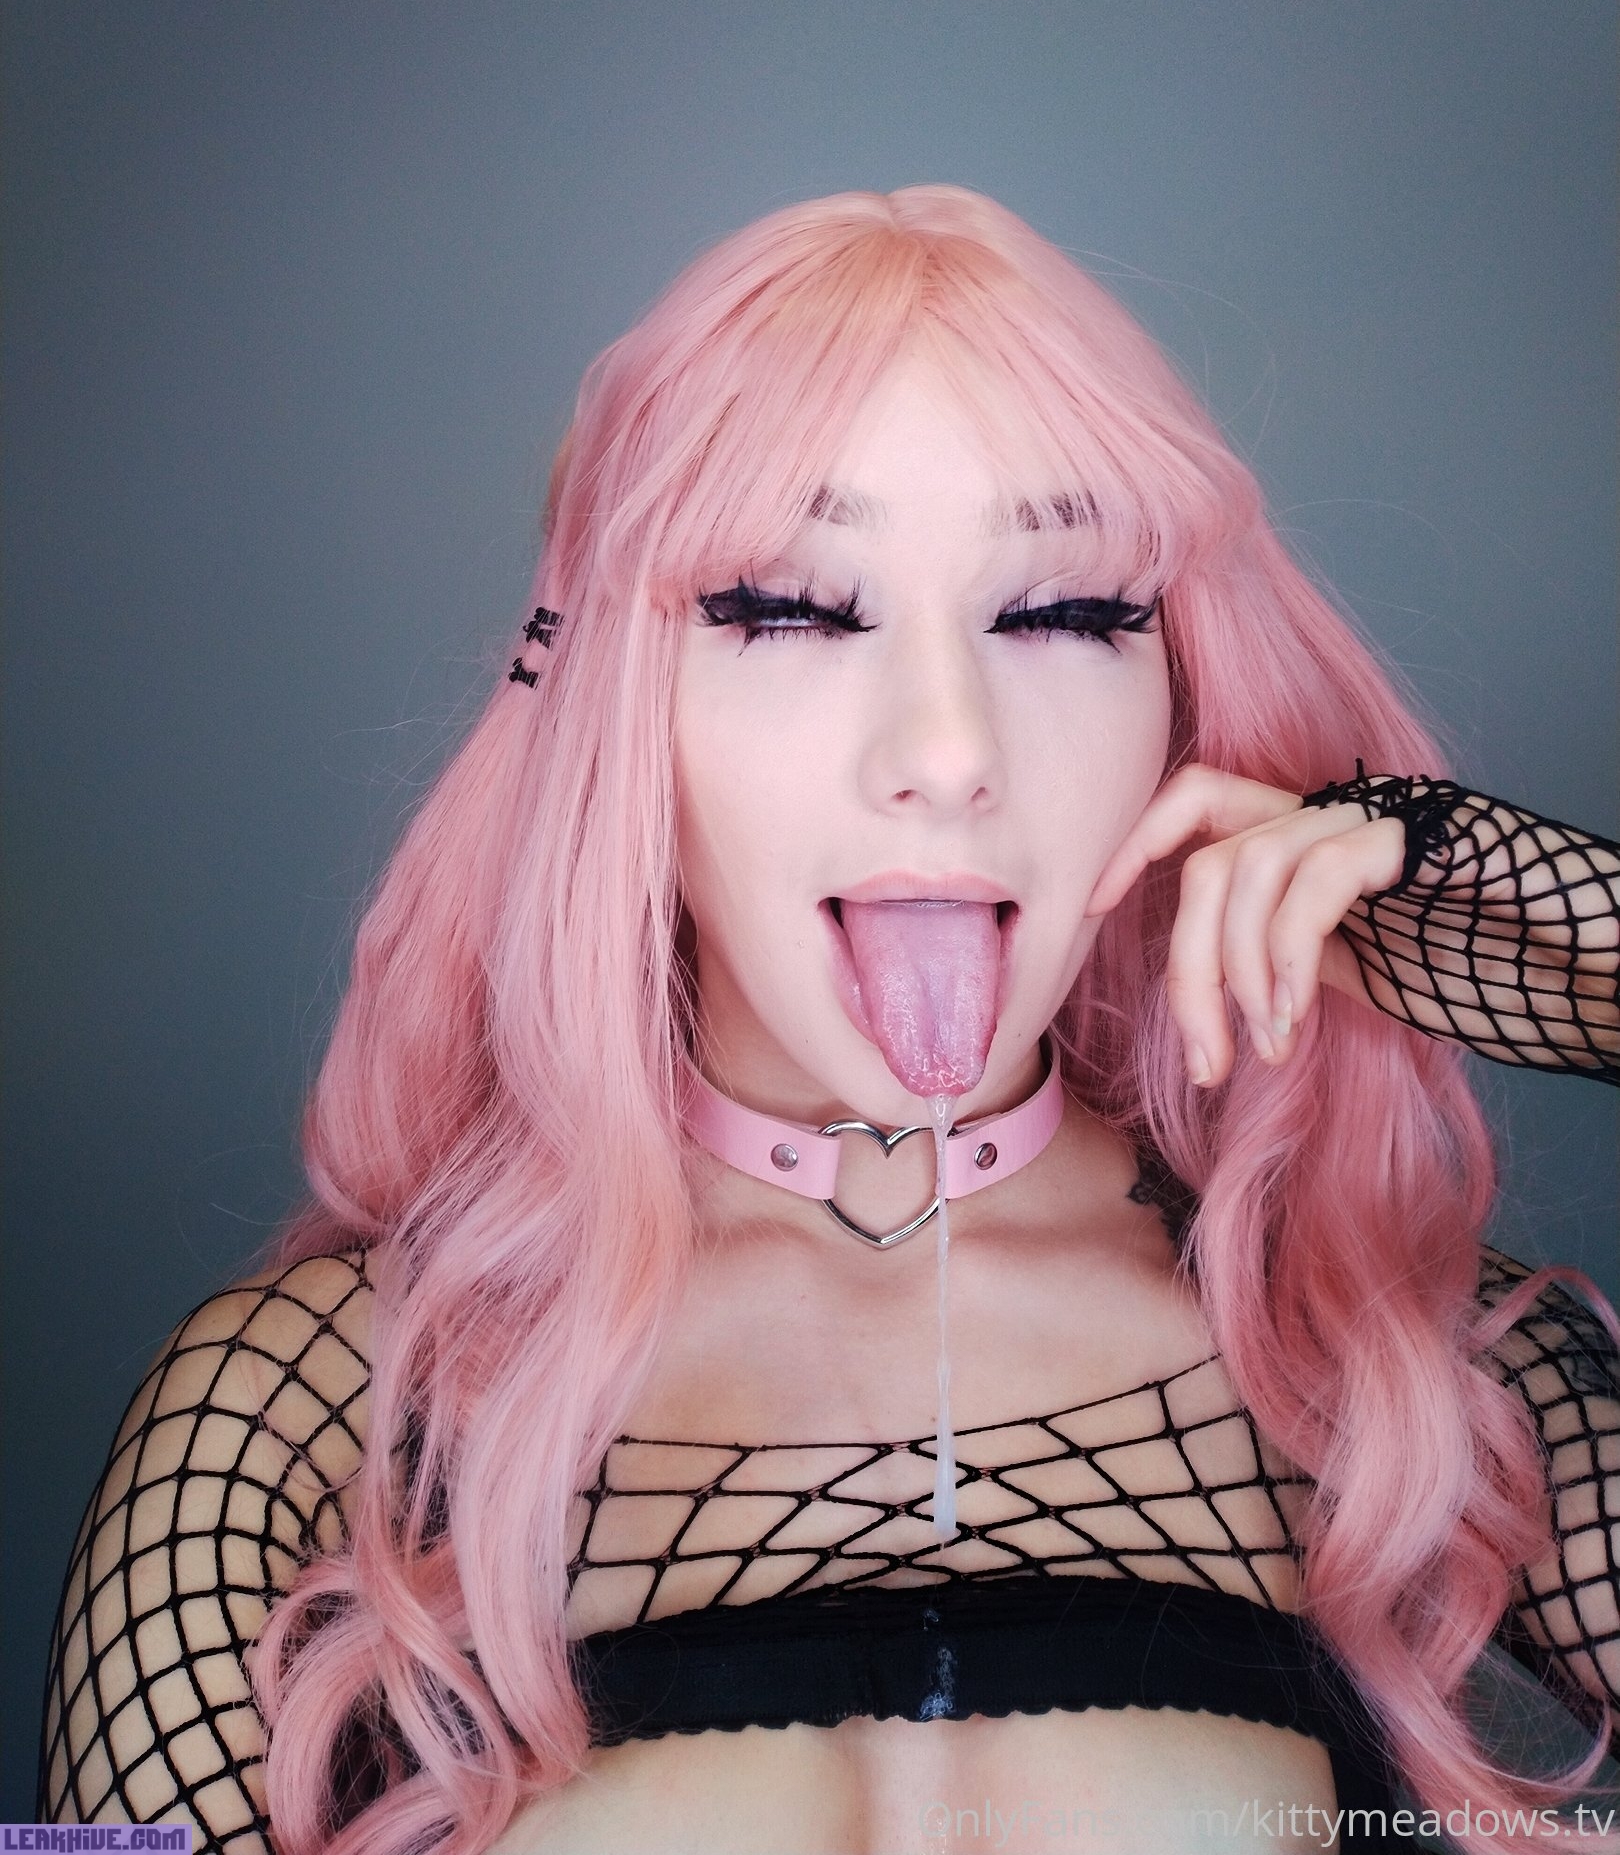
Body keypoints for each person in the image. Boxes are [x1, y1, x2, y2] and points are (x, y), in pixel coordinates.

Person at [35, 187, 1620, 1855]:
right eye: (790, 608)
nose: (946, 748)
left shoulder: (1395, 1360)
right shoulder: (297, 1410)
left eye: (1065, 613)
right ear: (614, 710)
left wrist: (1583, 956)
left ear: (1175, 704)